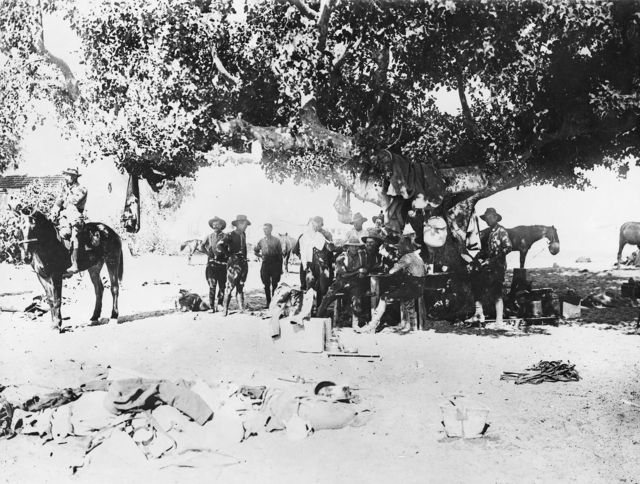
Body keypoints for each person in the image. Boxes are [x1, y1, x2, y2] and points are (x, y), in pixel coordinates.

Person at [358, 235, 426, 333]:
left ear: (404, 247)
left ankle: (372, 325)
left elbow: (391, 271)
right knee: (407, 299)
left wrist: (391, 265)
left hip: (411, 290)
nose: (398, 250)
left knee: (384, 297)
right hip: (419, 289)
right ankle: (413, 327)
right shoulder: (417, 256)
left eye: (399, 248)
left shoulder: (406, 257)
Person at [468, 207, 512, 326]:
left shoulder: (501, 231)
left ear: (496, 218)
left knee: (497, 292)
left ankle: (499, 320)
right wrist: (475, 260)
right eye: (486, 218)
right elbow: (484, 250)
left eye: (490, 217)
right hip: (487, 267)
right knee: (477, 284)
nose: (488, 220)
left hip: (498, 267)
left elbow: (508, 247)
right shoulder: (488, 232)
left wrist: (493, 259)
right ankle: (479, 314)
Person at [317, 239, 368, 328]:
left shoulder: (362, 256)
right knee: (327, 299)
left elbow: (365, 267)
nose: (354, 248)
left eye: (356, 246)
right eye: (352, 246)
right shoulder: (341, 257)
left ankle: (356, 324)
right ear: (348, 247)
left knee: (357, 301)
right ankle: (317, 320)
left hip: (354, 283)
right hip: (340, 282)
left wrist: (363, 273)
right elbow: (343, 274)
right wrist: (357, 271)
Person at [51, 167, 88, 274]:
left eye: (70, 175)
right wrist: (54, 212)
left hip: (75, 216)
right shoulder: (64, 189)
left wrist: (64, 196)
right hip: (64, 218)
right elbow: (58, 203)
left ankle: (75, 264)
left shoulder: (82, 189)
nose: (67, 177)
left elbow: (73, 202)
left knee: (74, 236)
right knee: (60, 234)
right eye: (66, 175)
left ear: (75, 177)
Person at [219, 214, 251, 316]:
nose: (245, 226)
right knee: (229, 287)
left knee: (240, 286)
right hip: (234, 265)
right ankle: (225, 310)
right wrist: (229, 255)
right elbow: (219, 245)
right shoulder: (230, 235)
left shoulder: (243, 235)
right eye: (243, 223)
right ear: (237, 224)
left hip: (243, 264)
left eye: (246, 224)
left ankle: (241, 308)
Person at [202, 216, 228, 312]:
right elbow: (201, 246)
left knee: (222, 285)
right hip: (212, 265)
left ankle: (220, 304)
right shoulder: (209, 236)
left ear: (221, 226)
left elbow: (229, 248)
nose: (215, 226)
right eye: (214, 225)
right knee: (212, 285)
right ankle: (212, 306)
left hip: (223, 265)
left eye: (217, 224)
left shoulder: (226, 236)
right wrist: (207, 253)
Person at [254, 223, 283, 307]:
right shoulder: (261, 241)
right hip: (265, 263)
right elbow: (256, 251)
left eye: (267, 229)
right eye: (264, 229)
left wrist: (280, 268)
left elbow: (280, 255)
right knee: (266, 284)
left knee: (275, 284)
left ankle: (274, 302)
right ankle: (268, 302)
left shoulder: (276, 240)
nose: (265, 230)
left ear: (271, 229)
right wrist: (261, 256)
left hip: (275, 263)